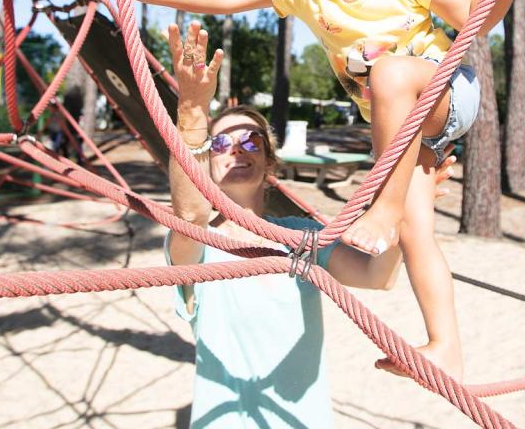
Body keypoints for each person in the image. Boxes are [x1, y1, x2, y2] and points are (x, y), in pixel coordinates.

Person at [102, 0, 525, 378]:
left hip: (446, 94)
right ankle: (444, 345)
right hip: (403, 135)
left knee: (390, 76)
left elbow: (475, 18)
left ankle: (380, 206)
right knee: (415, 227)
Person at [164, 21, 455, 428]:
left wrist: (406, 204)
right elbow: (190, 214)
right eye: (221, 145)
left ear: (269, 163)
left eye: (251, 143)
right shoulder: (201, 242)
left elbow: (377, 276)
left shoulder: (302, 235)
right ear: (207, 163)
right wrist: (193, 111)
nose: (237, 152)